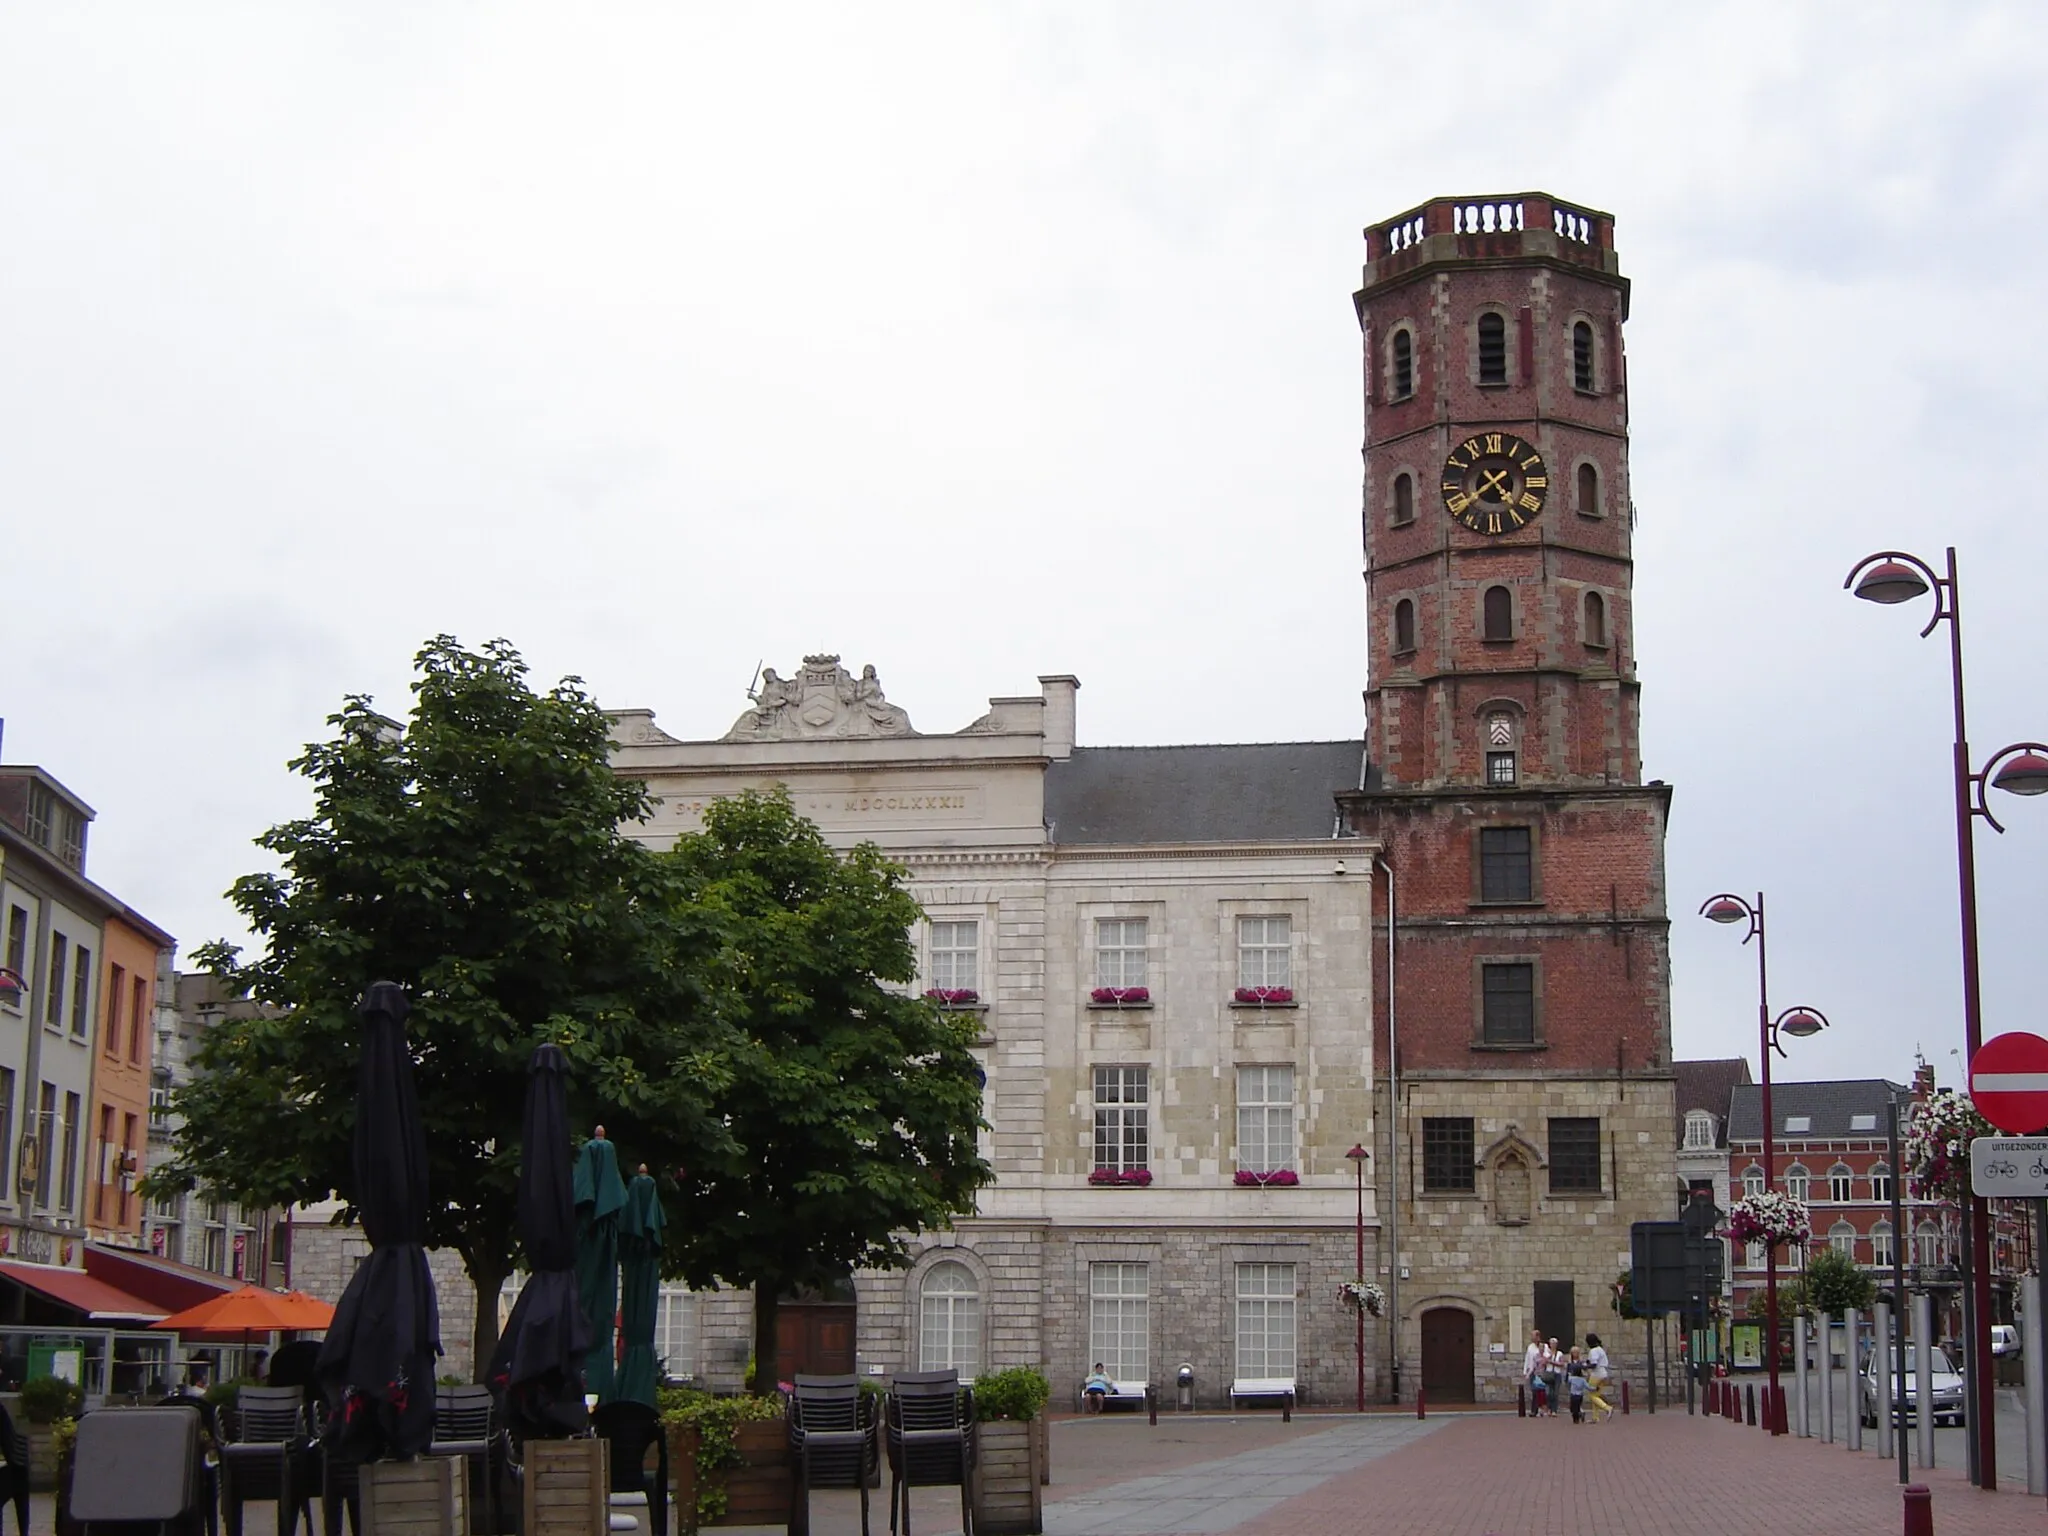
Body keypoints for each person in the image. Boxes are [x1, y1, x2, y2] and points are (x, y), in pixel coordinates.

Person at [1583, 1332, 1614, 1422]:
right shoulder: (1600, 1349)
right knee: (1596, 1395)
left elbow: (1594, 1364)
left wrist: (1585, 1367)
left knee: (1591, 1395)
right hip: (1603, 1373)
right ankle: (1595, 1417)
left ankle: (1607, 1408)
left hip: (1597, 1374)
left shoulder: (1593, 1351)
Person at [1522, 1331, 1547, 1416]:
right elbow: (1528, 1359)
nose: (1532, 1338)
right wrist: (1525, 1371)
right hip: (1533, 1371)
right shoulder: (1530, 1347)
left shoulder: (1544, 1346)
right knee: (1535, 1391)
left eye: (1533, 1336)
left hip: (1542, 1372)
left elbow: (1547, 1356)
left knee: (1542, 1392)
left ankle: (1543, 1409)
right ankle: (1534, 1410)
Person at [1566, 1347, 1588, 1423]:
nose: (1575, 1354)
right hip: (1572, 1381)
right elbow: (1568, 1372)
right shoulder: (1570, 1362)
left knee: (1578, 1400)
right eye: (1573, 1352)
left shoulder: (1581, 1362)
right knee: (1573, 1401)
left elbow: (1585, 1369)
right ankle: (1579, 1413)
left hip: (1579, 1381)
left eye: (1576, 1352)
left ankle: (1579, 1414)